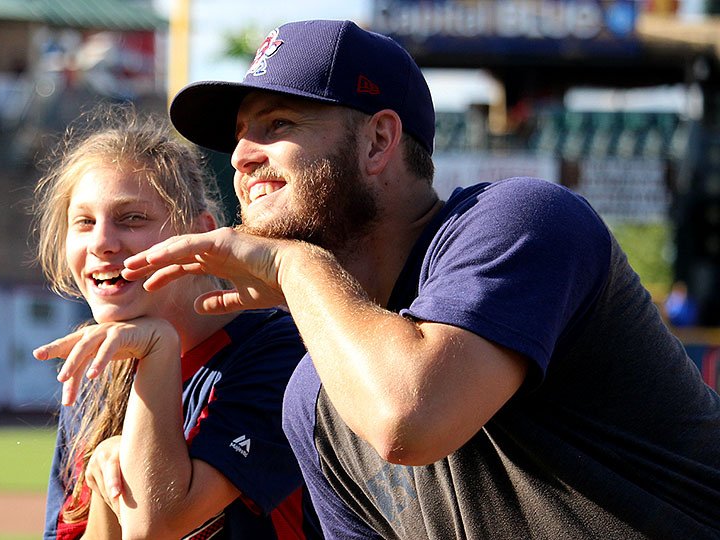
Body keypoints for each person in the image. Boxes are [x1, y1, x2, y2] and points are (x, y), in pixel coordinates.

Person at [121, 19, 720, 539]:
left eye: (277, 124)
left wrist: (293, 265)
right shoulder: (313, 394)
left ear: (380, 140)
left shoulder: (523, 221)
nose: (241, 156)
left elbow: (408, 417)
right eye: (239, 136)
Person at [31, 106, 318, 539]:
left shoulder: (281, 353)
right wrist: (103, 490)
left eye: (132, 218)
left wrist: (159, 347)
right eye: (84, 222)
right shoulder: (97, 371)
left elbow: (156, 525)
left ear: (199, 232)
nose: (102, 243)